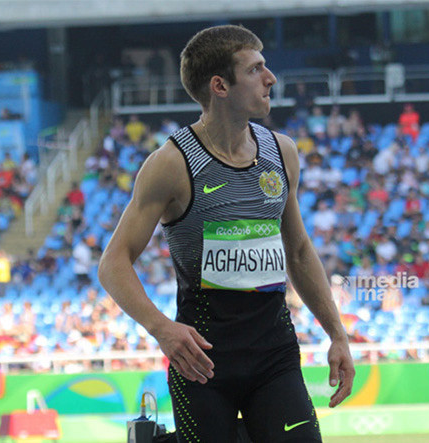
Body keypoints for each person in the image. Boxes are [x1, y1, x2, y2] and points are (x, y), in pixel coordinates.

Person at [98, 25, 354, 443]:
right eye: (255, 69)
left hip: (275, 355)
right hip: (203, 364)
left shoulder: (282, 152)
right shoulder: (171, 164)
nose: (270, 78)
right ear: (220, 85)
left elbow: (301, 252)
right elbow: (113, 263)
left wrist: (337, 335)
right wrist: (162, 328)